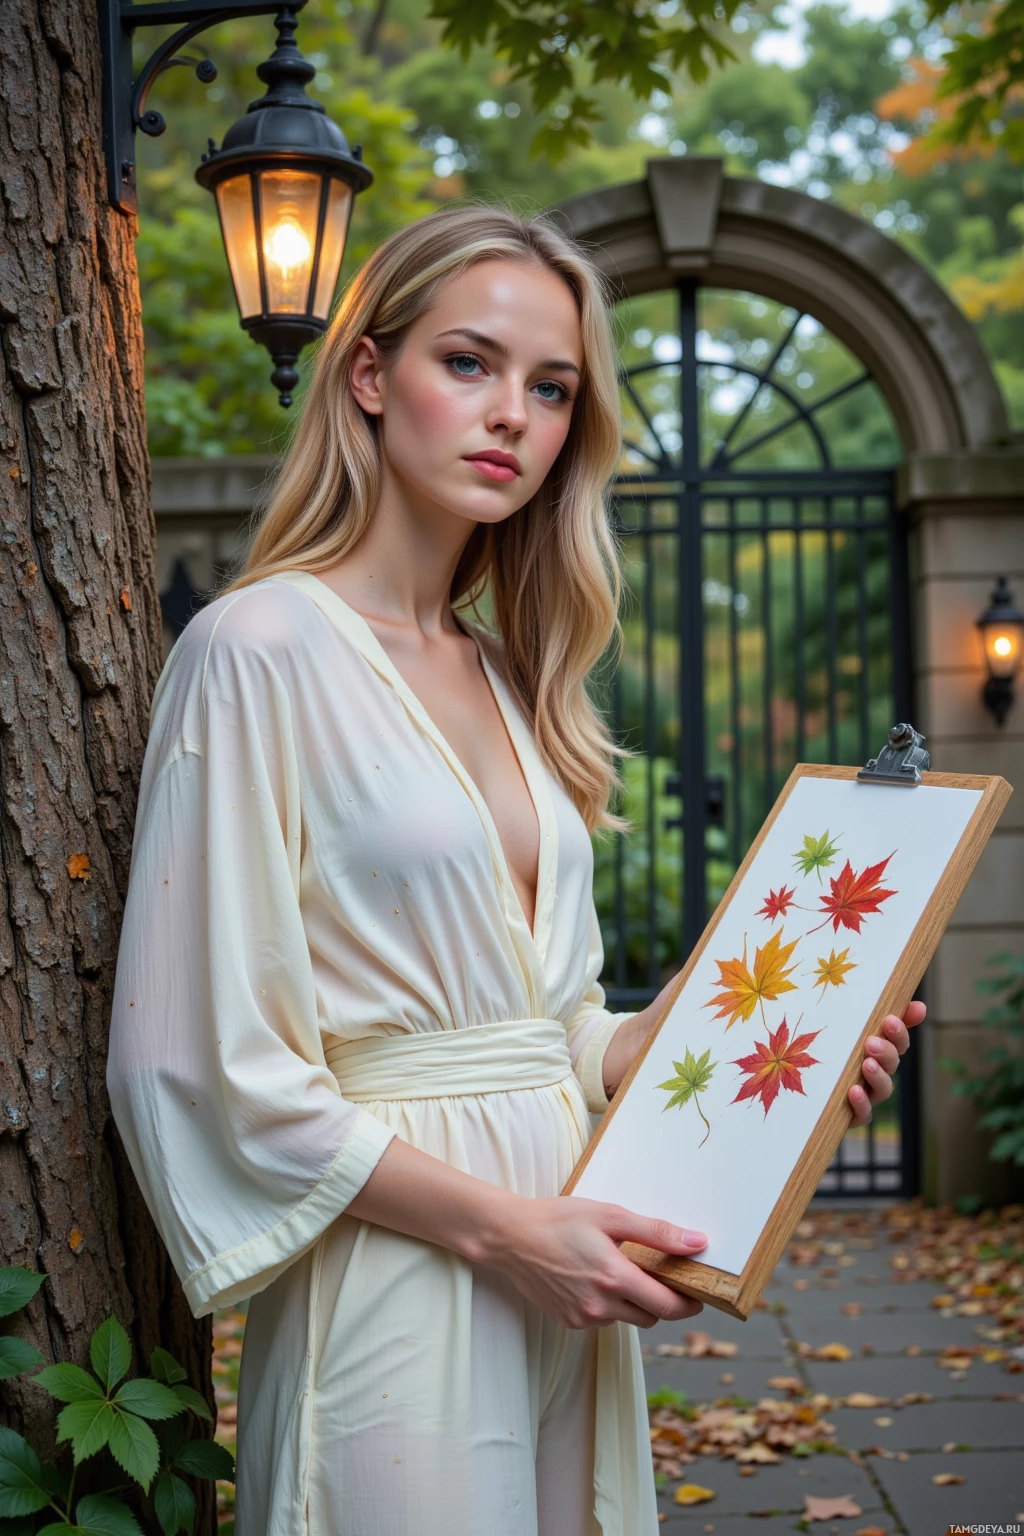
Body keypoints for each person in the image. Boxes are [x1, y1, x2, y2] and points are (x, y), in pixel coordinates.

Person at [106, 203, 923, 1536]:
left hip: (568, 1262)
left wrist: (755, 1044)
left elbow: (555, 1029)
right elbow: (195, 1058)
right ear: (370, 377)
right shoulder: (257, 650)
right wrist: (499, 1231)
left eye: (552, 389)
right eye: (469, 363)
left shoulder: (512, 673)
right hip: (409, 1265)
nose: (515, 417)